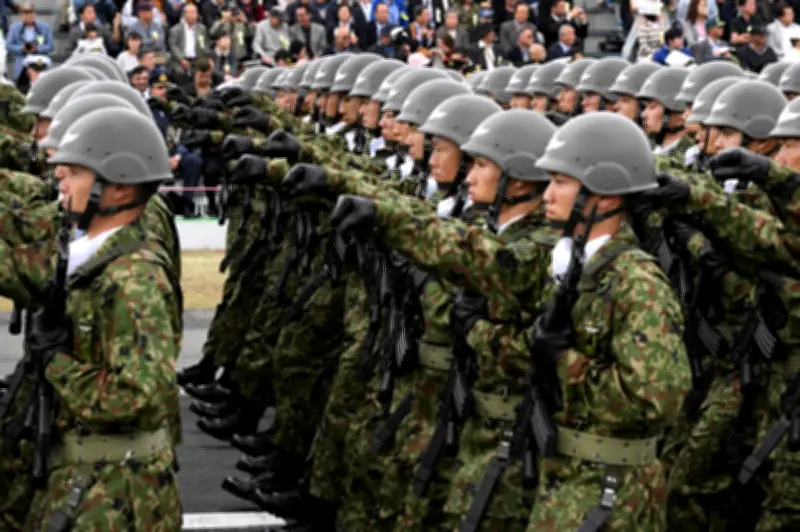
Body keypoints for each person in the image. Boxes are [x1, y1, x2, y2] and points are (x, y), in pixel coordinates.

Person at [17, 106, 183, 531]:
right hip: (90, 478)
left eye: (75, 171)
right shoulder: (97, 260)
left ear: (119, 188)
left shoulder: (133, 280)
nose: (59, 177)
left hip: (115, 494)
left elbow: (135, 395)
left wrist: (56, 362)